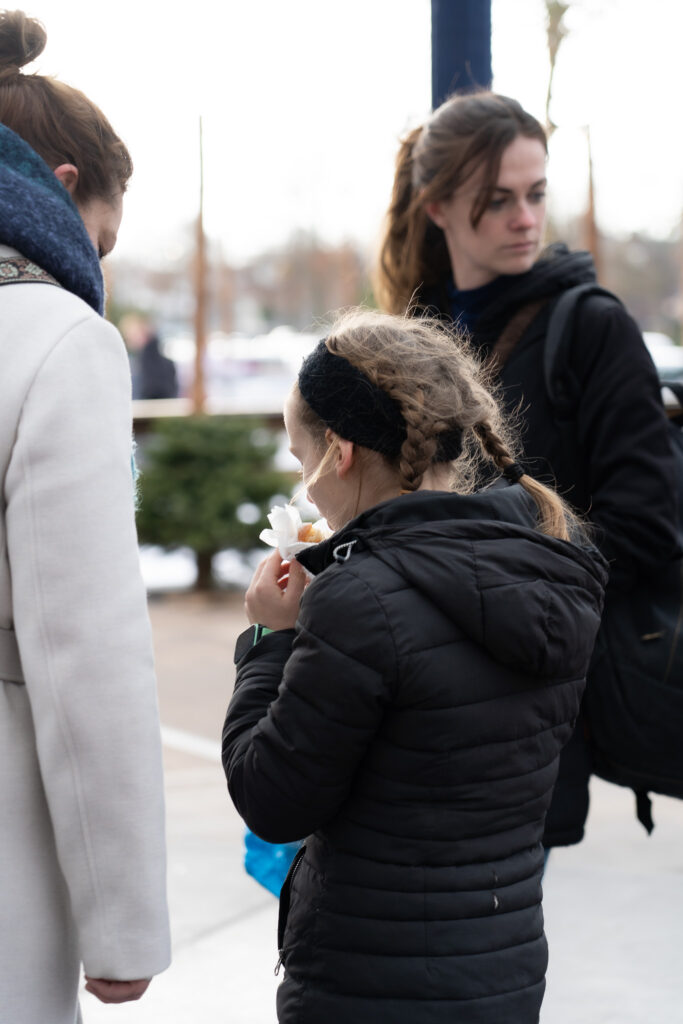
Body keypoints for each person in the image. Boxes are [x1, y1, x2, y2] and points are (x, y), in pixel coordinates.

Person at [222, 308, 607, 1023]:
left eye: (301, 459)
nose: (304, 488)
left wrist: (270, 639)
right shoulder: (546, 568)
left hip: (370, 983)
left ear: (340, 453)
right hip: (502, 971)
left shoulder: (359, 599)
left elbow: (272, 799)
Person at [374, 90, 679, 848]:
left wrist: (490, 580)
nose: (525, 219)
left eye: (536, 194)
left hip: (529, 701)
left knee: (488, 912)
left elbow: (646, 528)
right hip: (414, 689)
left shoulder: (591, 328)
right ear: (438, 207)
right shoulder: (413, 334)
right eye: (498, 199)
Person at [0, 10, 170, 1022]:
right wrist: (123, 920)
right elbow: (85, 654)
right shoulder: (56, 340)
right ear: (62, 189)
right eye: (101, 242)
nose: (95, 272)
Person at [120, 312, 179, 400]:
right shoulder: (144, 358)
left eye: (131, 336)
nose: (129, 341)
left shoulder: (147, 360)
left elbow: (150, 389)